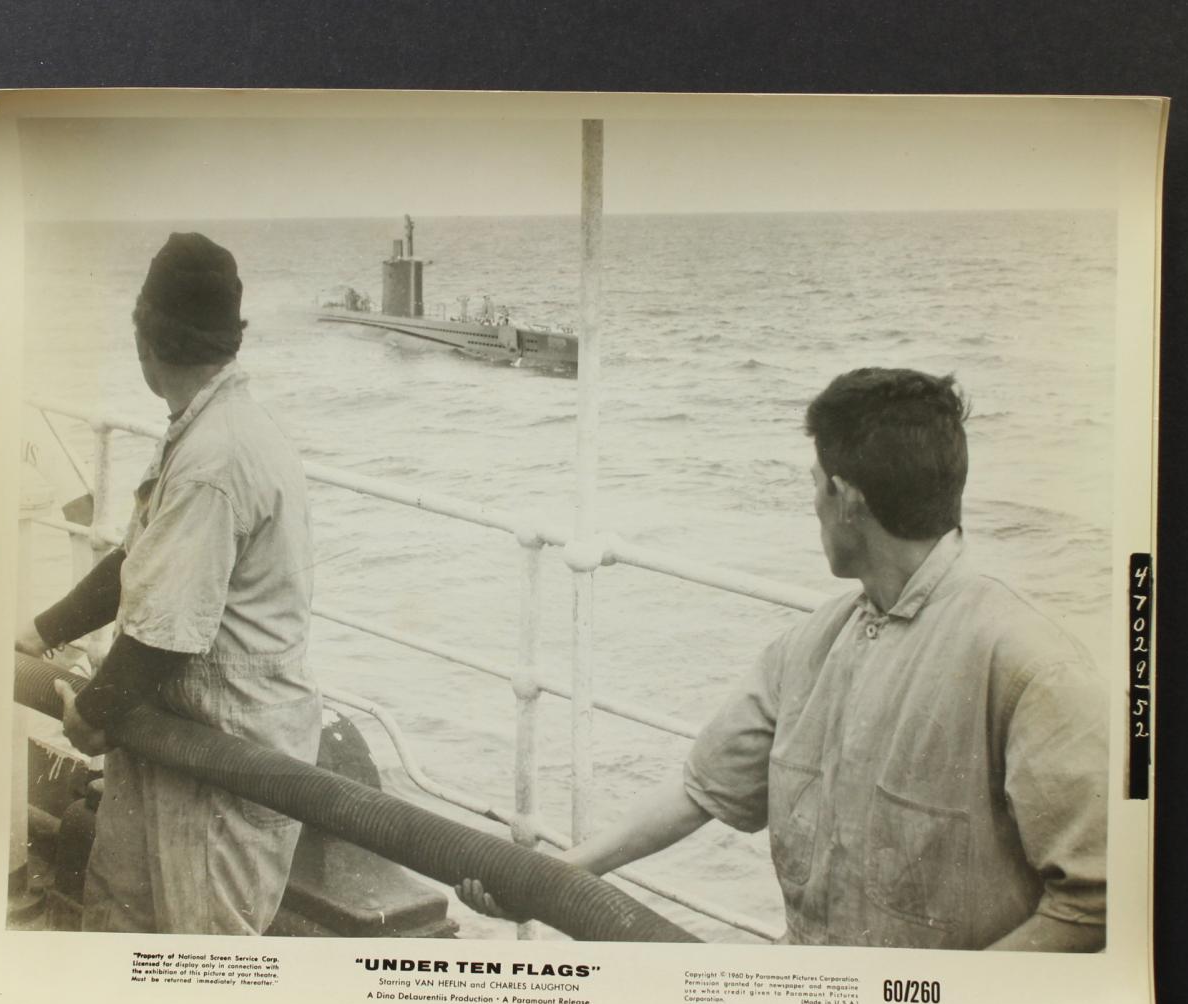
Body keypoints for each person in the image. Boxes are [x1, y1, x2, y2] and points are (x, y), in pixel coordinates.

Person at [460, 368, 1107, 951]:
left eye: (815, 486)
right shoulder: (810, 647)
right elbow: (699, 790)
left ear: (847, 499)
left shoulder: (1030, 666)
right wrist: (548, 879)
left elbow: (1093, 902)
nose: (813, 505)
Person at [16, 232, 321, 935]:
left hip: (225, 753)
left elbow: (164, 634)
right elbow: (137, 561)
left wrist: (90, 716)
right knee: (119, 923)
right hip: (163, 726)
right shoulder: (208, 426)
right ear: (232, 337)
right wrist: (38, 634)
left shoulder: (215, 456)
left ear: (144, 341)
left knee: (201, 958)